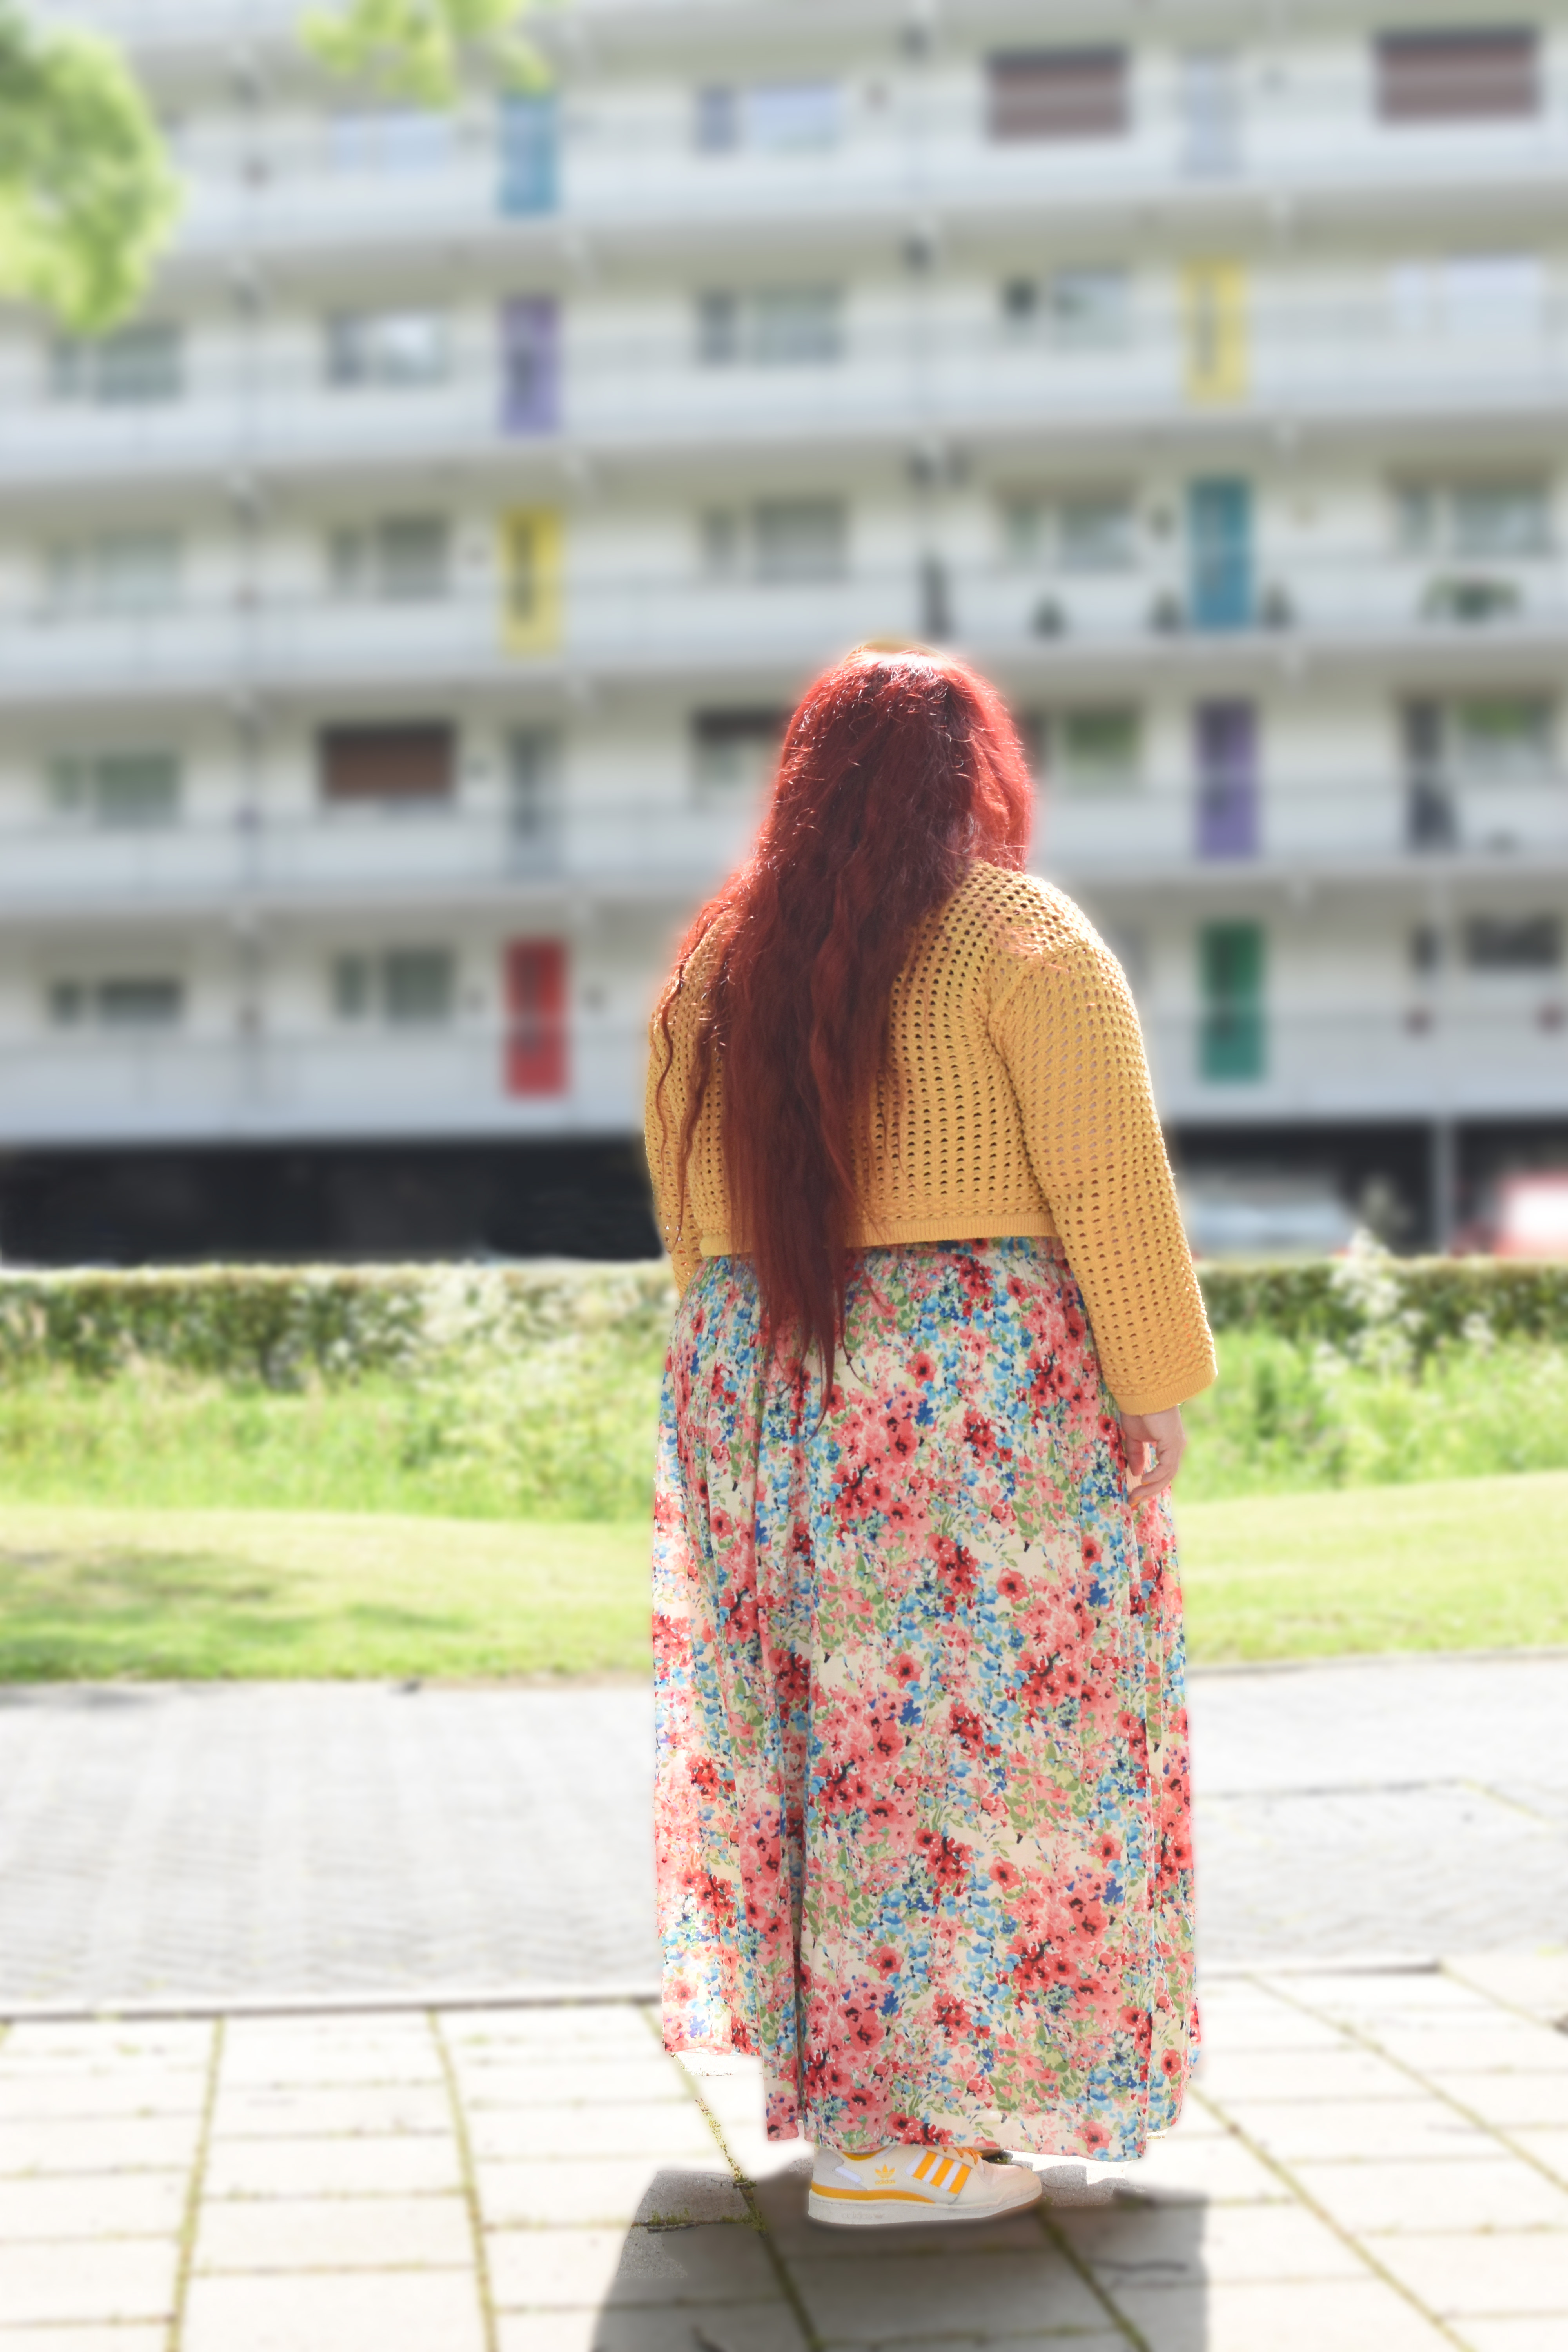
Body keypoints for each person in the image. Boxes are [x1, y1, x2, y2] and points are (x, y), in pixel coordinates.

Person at [644, 646, 1216, 2228]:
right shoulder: (1017, 936)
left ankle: (887, 2116)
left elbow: (693, 1211)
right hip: (970, 1389)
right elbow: (1110, 1181)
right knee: (1019, 1746)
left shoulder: (719, 959)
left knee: (828, 1752)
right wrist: (1152, 1379)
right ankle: (904, 2146)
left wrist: (732, 1403)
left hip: (763, 1368)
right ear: (973, 778)